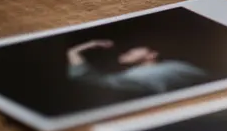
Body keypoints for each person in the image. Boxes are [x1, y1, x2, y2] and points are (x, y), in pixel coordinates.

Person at [66, 39, 206, 94]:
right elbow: (85, 76)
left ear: (152, 54)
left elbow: (208, 78)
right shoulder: (127, 77)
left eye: (135, 49)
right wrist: (75, 51)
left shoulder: (176, 66)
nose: (129, 51)